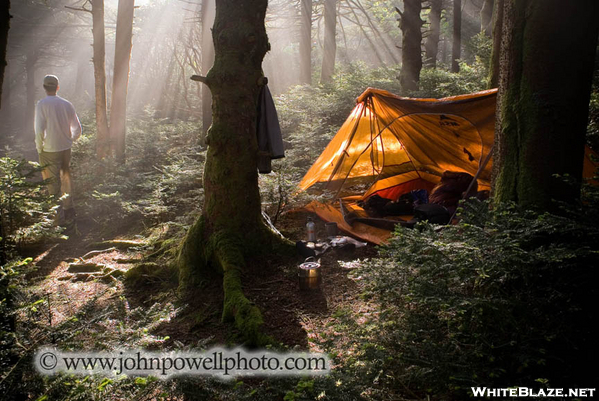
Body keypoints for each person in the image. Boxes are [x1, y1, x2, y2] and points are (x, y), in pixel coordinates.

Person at [34, 75, 81, 224]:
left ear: (44, 87)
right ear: (57, 87)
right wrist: (71, 139)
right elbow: (78, 128)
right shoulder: (67, 104)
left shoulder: (41, 104)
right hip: (65, 148)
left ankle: (56, 218)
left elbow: (39, 129)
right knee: (66, 177)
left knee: (52, 182)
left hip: (48, 150)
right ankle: (69, 211)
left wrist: (39, 147)